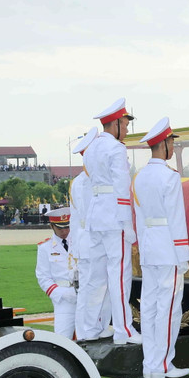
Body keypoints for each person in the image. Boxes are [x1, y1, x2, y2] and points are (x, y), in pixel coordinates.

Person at [79, 98, 141, 345]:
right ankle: (124, 329)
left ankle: (91, 327)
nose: (126, 129)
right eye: (124, 125)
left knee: (96, 276)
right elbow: (122, 187)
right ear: (114, 123)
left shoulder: (92, 147)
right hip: (114, 216)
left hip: (96, 217)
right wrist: (127, 223)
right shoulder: (116, 149)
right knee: (119, 276)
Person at [134, 117, 189, 378]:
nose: (173, 147)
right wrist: (183, 255)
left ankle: (150, 364)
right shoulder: (169, 177)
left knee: (149, 307)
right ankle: (164, 365)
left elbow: (139, 219)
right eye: (171, 143)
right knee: (169, 309)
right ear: (165, 144)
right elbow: (177, 219)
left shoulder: (139, 177)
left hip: (149, 247)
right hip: (168, 247)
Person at [35, 208, 96, 378]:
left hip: (83, 293)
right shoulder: (45, 248)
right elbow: (43, 277)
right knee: (62, 339)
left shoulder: (79, 243)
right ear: (52, 226)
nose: (64, 231)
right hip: (63, 297)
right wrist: (61, 293)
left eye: (67, 227)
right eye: (60, 227)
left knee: (85, 338)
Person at [71, 127, 113, 340]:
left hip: (84, 241)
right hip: (93, 238)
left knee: (93, 289)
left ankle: (93, 328)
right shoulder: (90, 181)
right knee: (94, 289)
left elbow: (73, 219)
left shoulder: (78, 180)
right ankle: (89, 330)